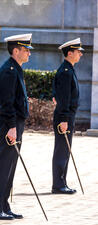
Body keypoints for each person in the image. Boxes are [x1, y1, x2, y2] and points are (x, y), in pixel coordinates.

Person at [0, 33, 33, 220]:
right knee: (3, 165)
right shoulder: (8, 71)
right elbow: (6, 103)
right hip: (9, 125)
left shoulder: (15, 69)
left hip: (15, 124)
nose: (29, 53)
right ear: (16, 50)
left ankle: (3, 205)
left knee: (10, 167)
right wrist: (12, 126)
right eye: (25, 49)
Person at [51, 38, 84, 194]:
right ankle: (58, 184)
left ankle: (61, 181)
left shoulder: (68, 69)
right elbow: (63, 98)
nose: (80, 55)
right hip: (64, 116)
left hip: (68, 115)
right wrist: (64, 119)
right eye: (78, 52)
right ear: (69, 53)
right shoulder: (65, 71)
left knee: (65, 149)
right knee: (62, 150)